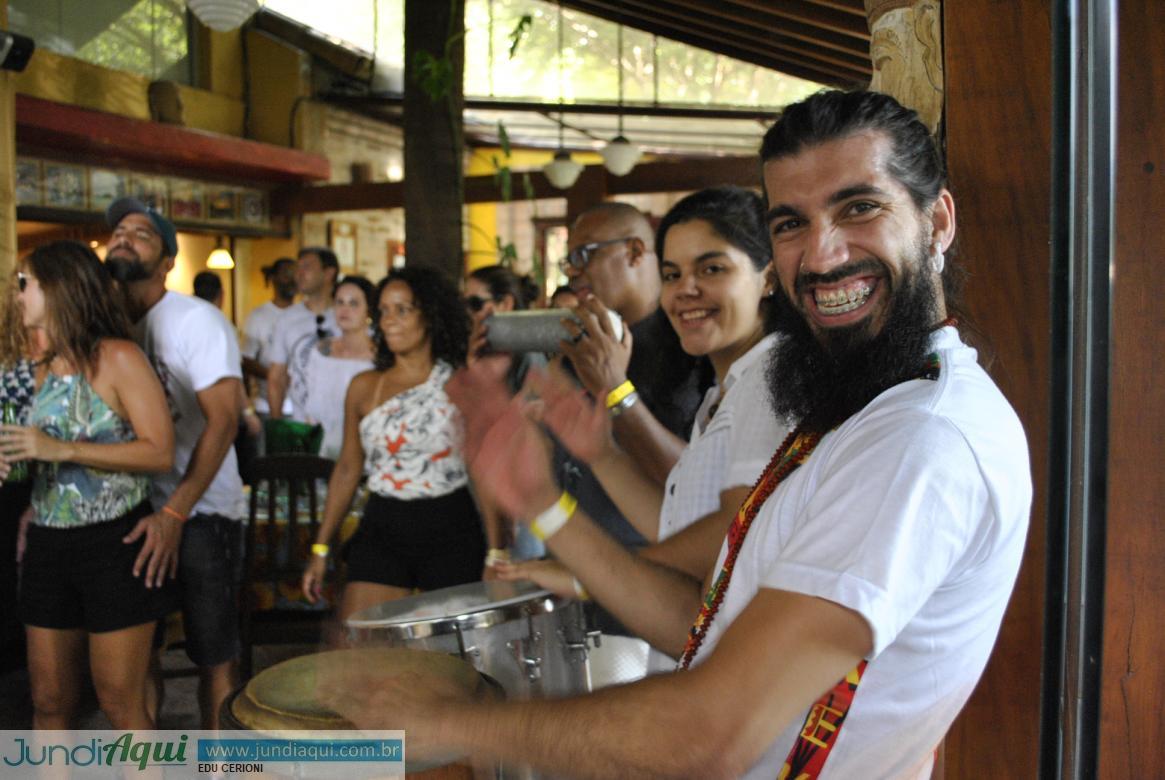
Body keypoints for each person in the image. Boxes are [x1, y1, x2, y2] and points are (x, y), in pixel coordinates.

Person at [327, 90, 1032, 780]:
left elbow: (709, 732)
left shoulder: (922, 438)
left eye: (858, 207)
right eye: (790, 223)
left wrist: (447, 723)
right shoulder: (857, 409)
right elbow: (706, 619)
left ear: (936, 221)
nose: (820, 257)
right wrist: (544, 502)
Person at [497, 186, 786, 618]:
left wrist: (587, 574)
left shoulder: (772, 381)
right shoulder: (723, 388)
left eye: (711, 268)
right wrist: (598, 453)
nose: (686, 290)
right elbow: (678, 517)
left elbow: (738, 535)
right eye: (672, 274)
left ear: (769, 277)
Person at [0, 241, 176, 730]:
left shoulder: (118, 358)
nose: (16, 295)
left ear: (59, 288)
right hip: (48, 543)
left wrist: (62, 450)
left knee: (120, 701)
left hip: (115, 543)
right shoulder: (38, 369)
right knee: (49, 700)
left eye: (25, 284)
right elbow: (36, 449)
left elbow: (159, 451)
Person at [104, 196, 246, 730]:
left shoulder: (195, 321)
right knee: (138, 655)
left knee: (213, 654)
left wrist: (175, 514)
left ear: (167, 262)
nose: (123, 236)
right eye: (118, 230)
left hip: (202, 512)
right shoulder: (104, 327)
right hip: (131, 509)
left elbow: (225, 420)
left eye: (141, 233)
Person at [301, 267, 485, 625]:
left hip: (450, 524)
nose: (390, 320)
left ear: (429, 316)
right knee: (362, 646)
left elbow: (485, 467)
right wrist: (321, 548)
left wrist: (497, 549)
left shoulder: (461, 381)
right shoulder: (365, 386)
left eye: (403, 310)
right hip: (384, 522)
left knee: (451, 660)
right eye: (383, 311)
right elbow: (348, 469)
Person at [560, 202, 712, 486]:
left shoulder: (691, 344)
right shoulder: (585, 342)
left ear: (635, 252)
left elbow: (696, 483)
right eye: (569, 260)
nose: (572, 272)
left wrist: (616, 392)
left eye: (584, 254)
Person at [285, 275, 376, 459]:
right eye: (340, 302)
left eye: (354, 304)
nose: (345, 310)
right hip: (321, 447)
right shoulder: (320, 351)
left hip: (364, 448)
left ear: (368, 310)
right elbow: (308, 399)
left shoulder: (379, 357)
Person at [267, 247, 339, 419]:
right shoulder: (287, 319)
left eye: (306, 267)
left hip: (343, 422)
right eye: (297, 268)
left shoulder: (347, 316)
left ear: (328, 273)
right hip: (302, 424)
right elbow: (277, 377)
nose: (298, 274)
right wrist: (277, 424)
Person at [241, 257, 296, 419]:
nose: (291, 279)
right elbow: (246, 360)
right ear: (273, 278)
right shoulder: (258, 316)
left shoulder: (304, 316)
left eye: (294, 274)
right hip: (265, 406)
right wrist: (275, 376)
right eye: (286, 274)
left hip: (299, 407)